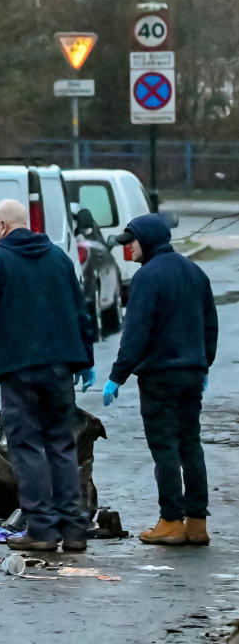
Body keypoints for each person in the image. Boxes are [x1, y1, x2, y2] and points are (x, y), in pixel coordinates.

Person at [0, 199, 96, 553]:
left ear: (5, 225)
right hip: (60, 366)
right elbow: (80, 310)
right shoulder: (59, 259)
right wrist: (85, 359)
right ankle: (74, 530)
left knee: (27, 446)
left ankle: (42, 529)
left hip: (18, 365)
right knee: (62, 445)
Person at [104, 213, 218, 546]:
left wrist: (117, 375)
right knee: (190, 445)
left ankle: (170, 521)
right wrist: (203, 364)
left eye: (132, 243)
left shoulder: (147, 278)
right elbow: (209, 324)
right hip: (192, 373)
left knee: (165, 447)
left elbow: (136, 333)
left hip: (159, 377)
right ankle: (197, 522)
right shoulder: (196, 273)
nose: (128, 250)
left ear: (148, 240)